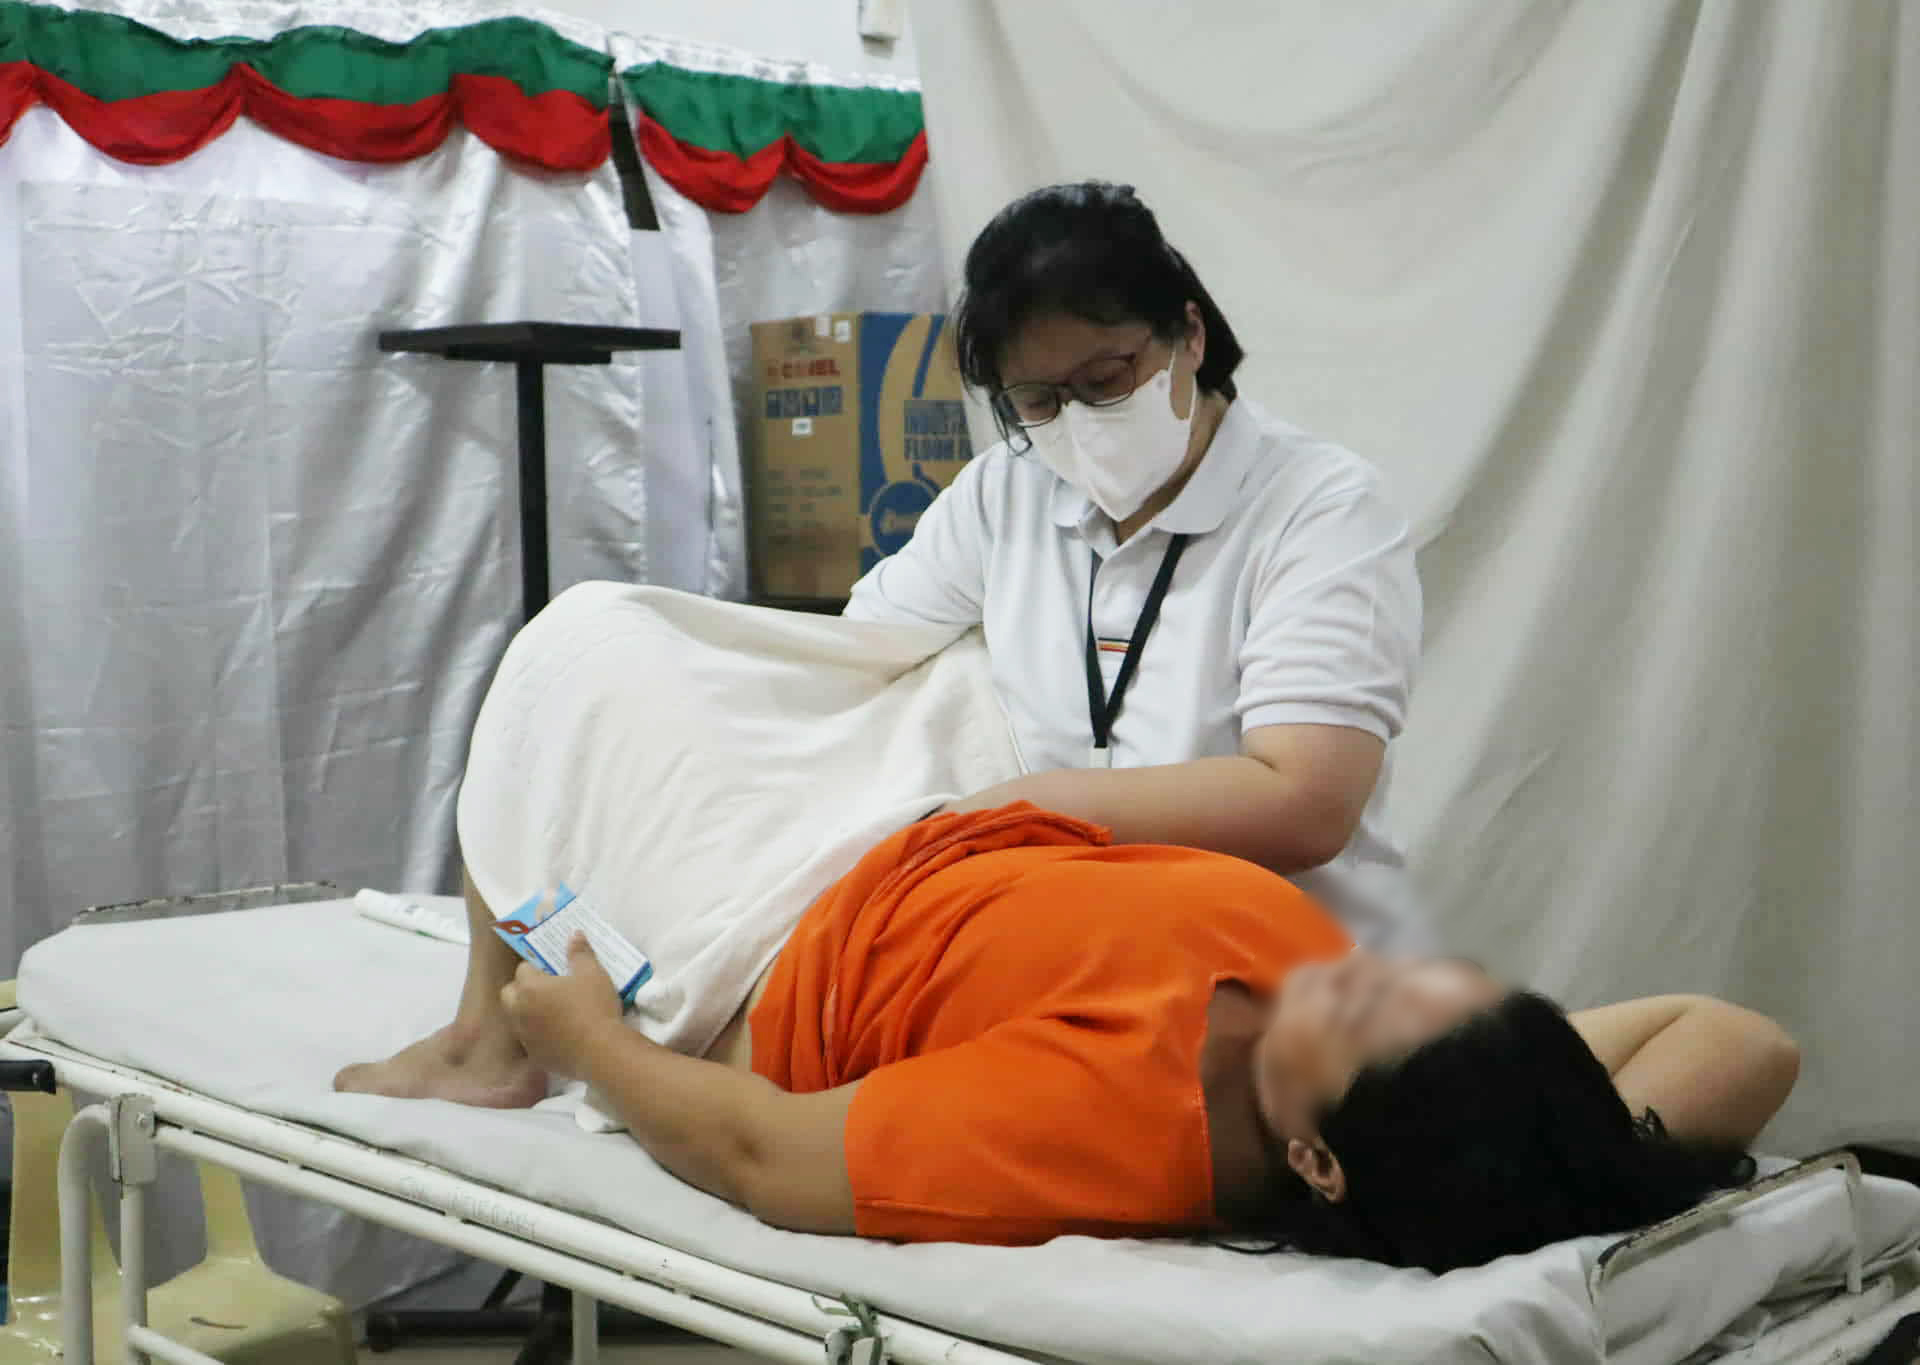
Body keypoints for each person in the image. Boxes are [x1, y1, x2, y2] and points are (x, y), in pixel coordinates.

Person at [338, 805, 1799, 1273]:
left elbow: (756, 1150)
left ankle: (495, 1043)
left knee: (557, 681)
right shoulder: (1435, 1079)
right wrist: (1605, 1179)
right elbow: (1740, 1038)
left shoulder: (1108, 1121)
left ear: (1310, 1157)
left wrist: (589, 1042)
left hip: (776, 938)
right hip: (949, 809)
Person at [843, 182, 1425, 948]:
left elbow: (1304, 800)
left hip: (1287, 974)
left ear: (1188, 335)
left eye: (1105, 381)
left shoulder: (1323, 510)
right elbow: (859, 659)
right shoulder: (1003, 494)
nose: (1077, 421)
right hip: (1074, 949)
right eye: (1038, 402)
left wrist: (1014, 812)